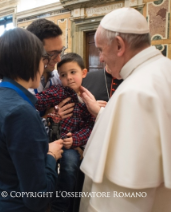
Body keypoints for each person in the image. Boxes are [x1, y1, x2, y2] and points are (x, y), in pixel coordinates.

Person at [79, 8, 171, 212]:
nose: (100, 58)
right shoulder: (164, 70)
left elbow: (120, 201)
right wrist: (100, 113)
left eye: (101, 50)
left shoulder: (135, 92)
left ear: (119, 45)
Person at [0, 28, 65, 211]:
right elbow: (37, 196)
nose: (43, 68)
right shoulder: (20, 111)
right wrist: (50, 156)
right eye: (42, 61)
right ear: (31, 61)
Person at [35, 53, 95, 212]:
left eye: (73, 72)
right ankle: (45, 203)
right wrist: (49, 111)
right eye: (63, 75)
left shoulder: (87, 98)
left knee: (70, 168)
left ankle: (60, 206)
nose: (68, 78)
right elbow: (37, 100)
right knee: (47, 170)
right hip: (51, 142)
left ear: (83, 72)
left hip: (70, 145)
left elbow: (90, 127)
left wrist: (75, 139)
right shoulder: (58, 91)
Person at [26, 19, 74, 120]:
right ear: (33, 52)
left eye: (61, 52)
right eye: (52, 54)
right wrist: (47, 118)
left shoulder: (60, 77)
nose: (59, 59)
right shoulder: (21, 86)